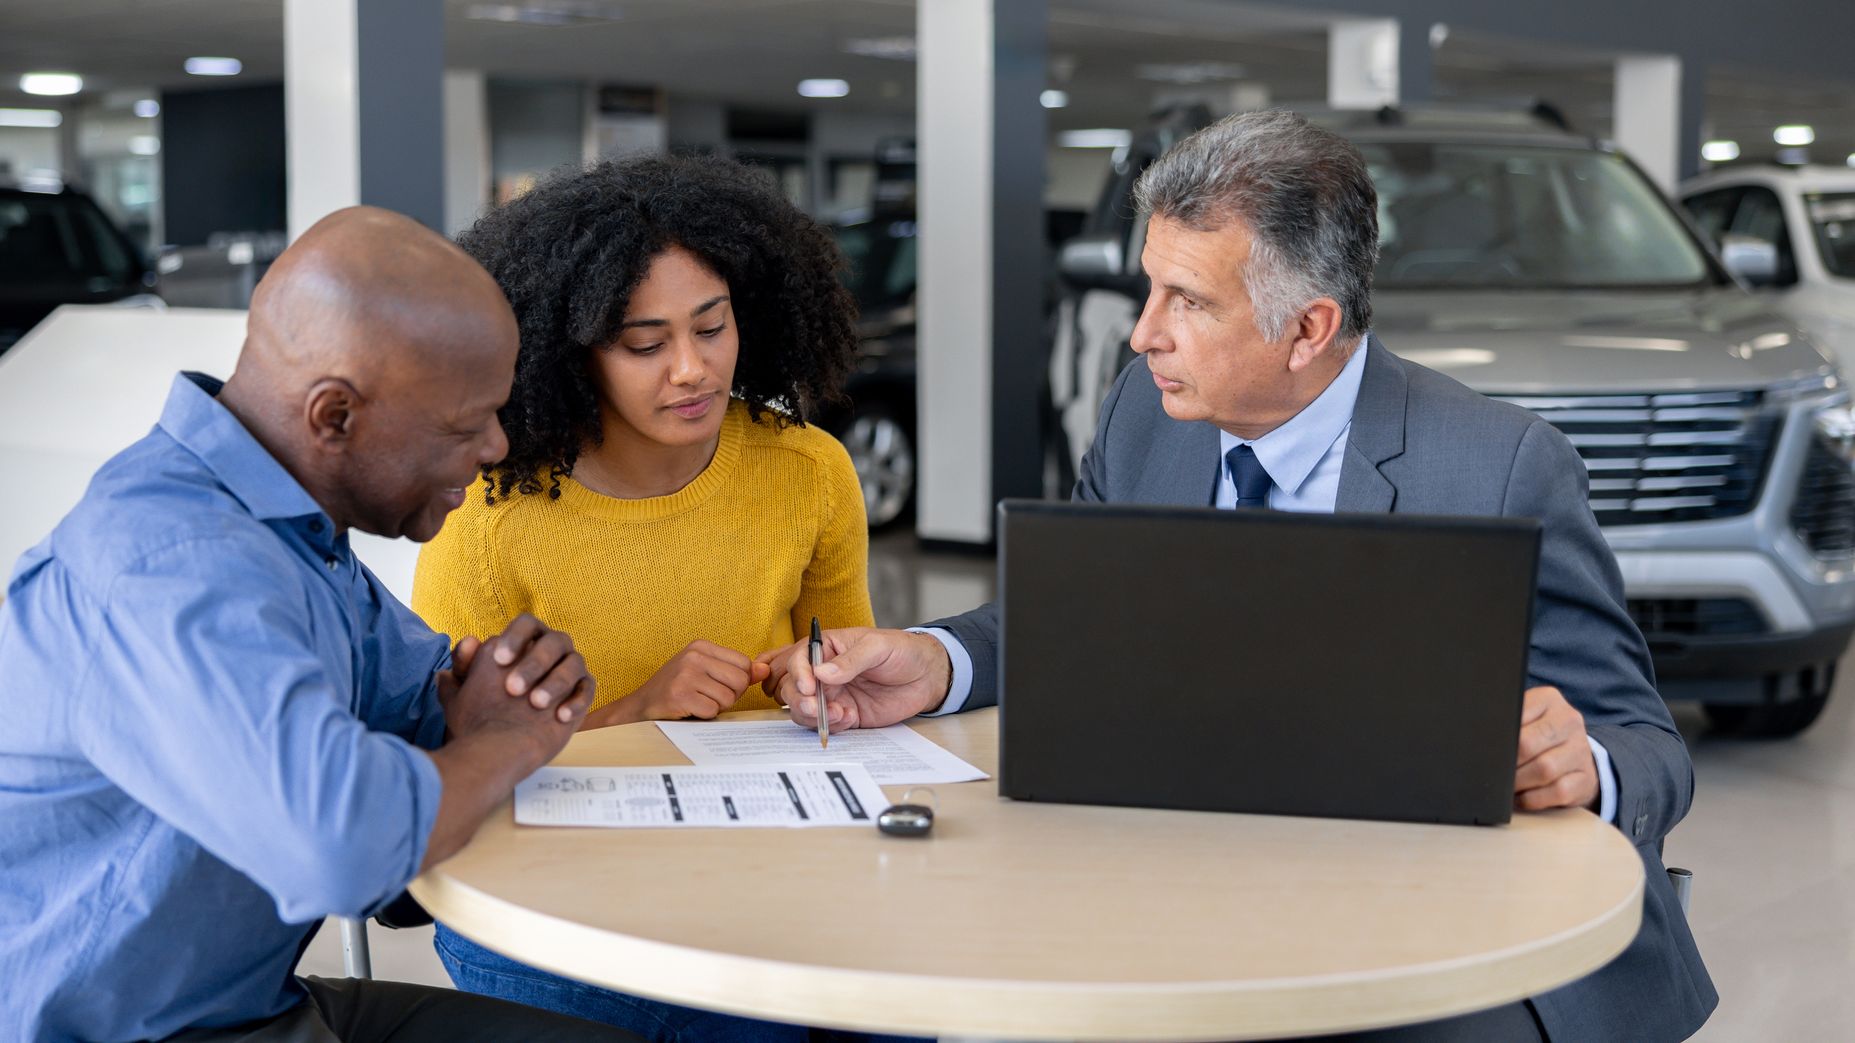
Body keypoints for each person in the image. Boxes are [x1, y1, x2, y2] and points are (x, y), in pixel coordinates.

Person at [770, 111, 1718, 1042]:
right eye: (1149, 289)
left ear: (1308, 328)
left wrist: (1581, 766)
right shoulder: (1146, 410)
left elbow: (1646, 741)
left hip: (1438, 931)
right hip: (1190, 896)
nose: (1143, 336)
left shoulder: (1501, 463)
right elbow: (1077, 620)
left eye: (1186, 301)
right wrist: (933, 660)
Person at [0, 207, 639, 1043]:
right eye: (463, 423)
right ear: (333, 416)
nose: (493, 446)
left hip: (246, 1002)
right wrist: (508, 742)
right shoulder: (174, 562)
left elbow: (434, 713)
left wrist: (485, 718)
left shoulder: (293, 534)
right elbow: (343, 845)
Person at [410, 156, 878, 1041]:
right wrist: (638, 708)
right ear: (571, 349)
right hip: (550, 902)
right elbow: (442, 760)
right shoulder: (490, 513)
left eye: (712, 327)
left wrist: (824, 686)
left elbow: (849, 667)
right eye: (644, 343)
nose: (692, 370)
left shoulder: (807, 469)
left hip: (760, 872)